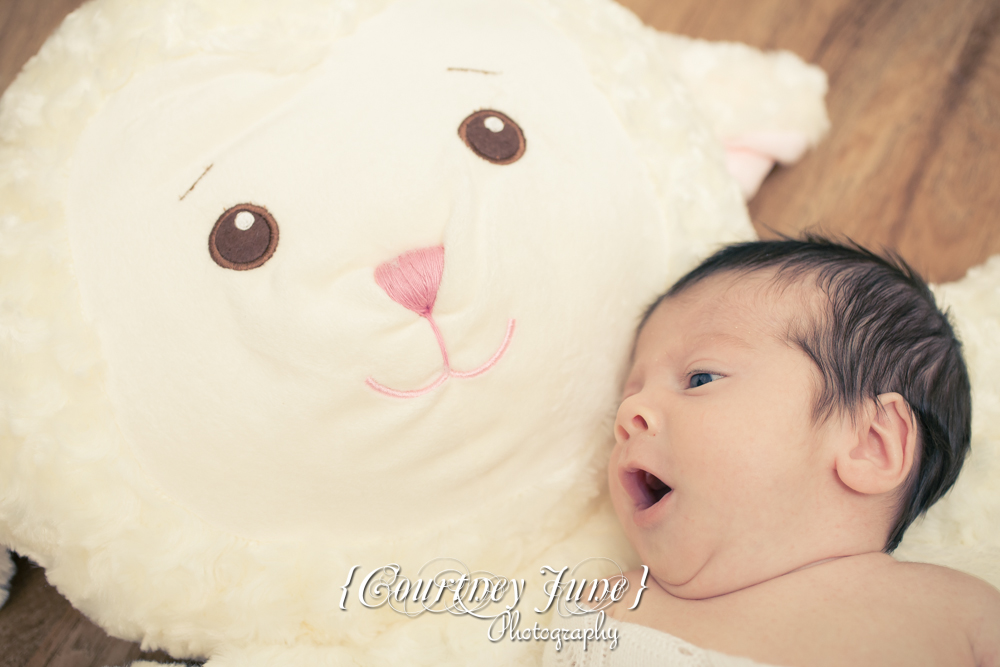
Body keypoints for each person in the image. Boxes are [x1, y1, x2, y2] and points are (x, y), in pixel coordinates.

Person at [546, 238, 1000, 666]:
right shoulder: (605, 611)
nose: (630, 412)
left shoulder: (961, 614)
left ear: (871, 445)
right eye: (632, 391)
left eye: (700, 378)